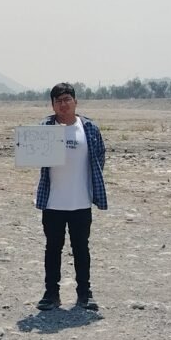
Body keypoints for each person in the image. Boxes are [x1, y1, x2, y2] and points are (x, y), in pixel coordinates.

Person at [34, 82, 107, 311]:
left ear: (76, 101)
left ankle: (85, 293)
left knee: (81, 249)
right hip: (53, 202)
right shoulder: (45, 128)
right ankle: (51, 293)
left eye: (67, 99)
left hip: (81, 201)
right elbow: (33, 154)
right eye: (58, 100)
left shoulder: (89, 128)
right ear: (52, 105)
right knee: (52, 249)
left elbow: (99, 156)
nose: (63, 104)